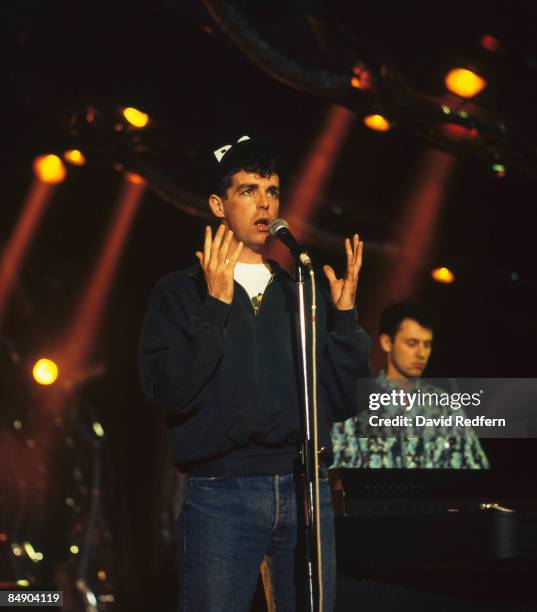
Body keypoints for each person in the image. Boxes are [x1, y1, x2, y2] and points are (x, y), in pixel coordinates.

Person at [138, 135, 372, 611]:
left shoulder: (300, 293)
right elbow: (169, 390)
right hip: (223, 493)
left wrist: (344, 319)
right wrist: (215, 308)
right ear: (217, 205)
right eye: (248, 191)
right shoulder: (180, 293)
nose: (264, 203)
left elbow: (344, 401)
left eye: (272, 191)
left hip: (304, 487)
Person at [332, 301, 489, 469]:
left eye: (427, 345)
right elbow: (333, 474)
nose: (421, 353)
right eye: (412, 343)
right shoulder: (358, 404)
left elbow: (476, 473)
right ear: (387, 342)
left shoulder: (446, 407)